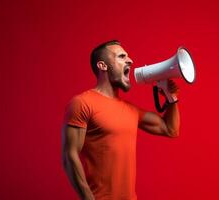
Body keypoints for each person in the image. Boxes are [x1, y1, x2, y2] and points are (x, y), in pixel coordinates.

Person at [61, 40, 180, 200]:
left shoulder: (131, 110)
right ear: (102, 66)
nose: (130, 60)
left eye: (128, 56)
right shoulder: (82, 103)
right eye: (122, 56)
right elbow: (70, 155)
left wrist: (170, 97)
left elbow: (170, 129)